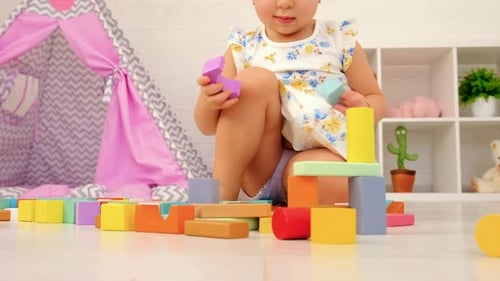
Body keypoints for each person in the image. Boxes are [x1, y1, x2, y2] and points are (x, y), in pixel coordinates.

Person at [194, 0, 386, 205]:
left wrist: (363, 107)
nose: (285, 3)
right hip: (261, 166)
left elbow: (377, 99)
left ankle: (297, 204)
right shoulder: (244, 46)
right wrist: (211, 101)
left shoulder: (339, 40)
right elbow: (207, 127)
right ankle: (223, 193)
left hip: (316, 160)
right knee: (253, 80)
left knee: (337, 181)